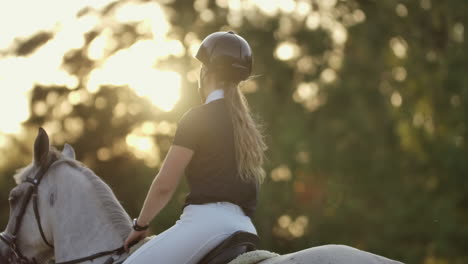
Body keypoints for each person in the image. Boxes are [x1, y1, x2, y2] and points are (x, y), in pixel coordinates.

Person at [122, 31, 267, 264]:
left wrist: (140, 225)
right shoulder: (246, 124)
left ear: (206, 72)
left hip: (207, 225)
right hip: (245, 227)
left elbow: (164, 185)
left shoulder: (198, 117)